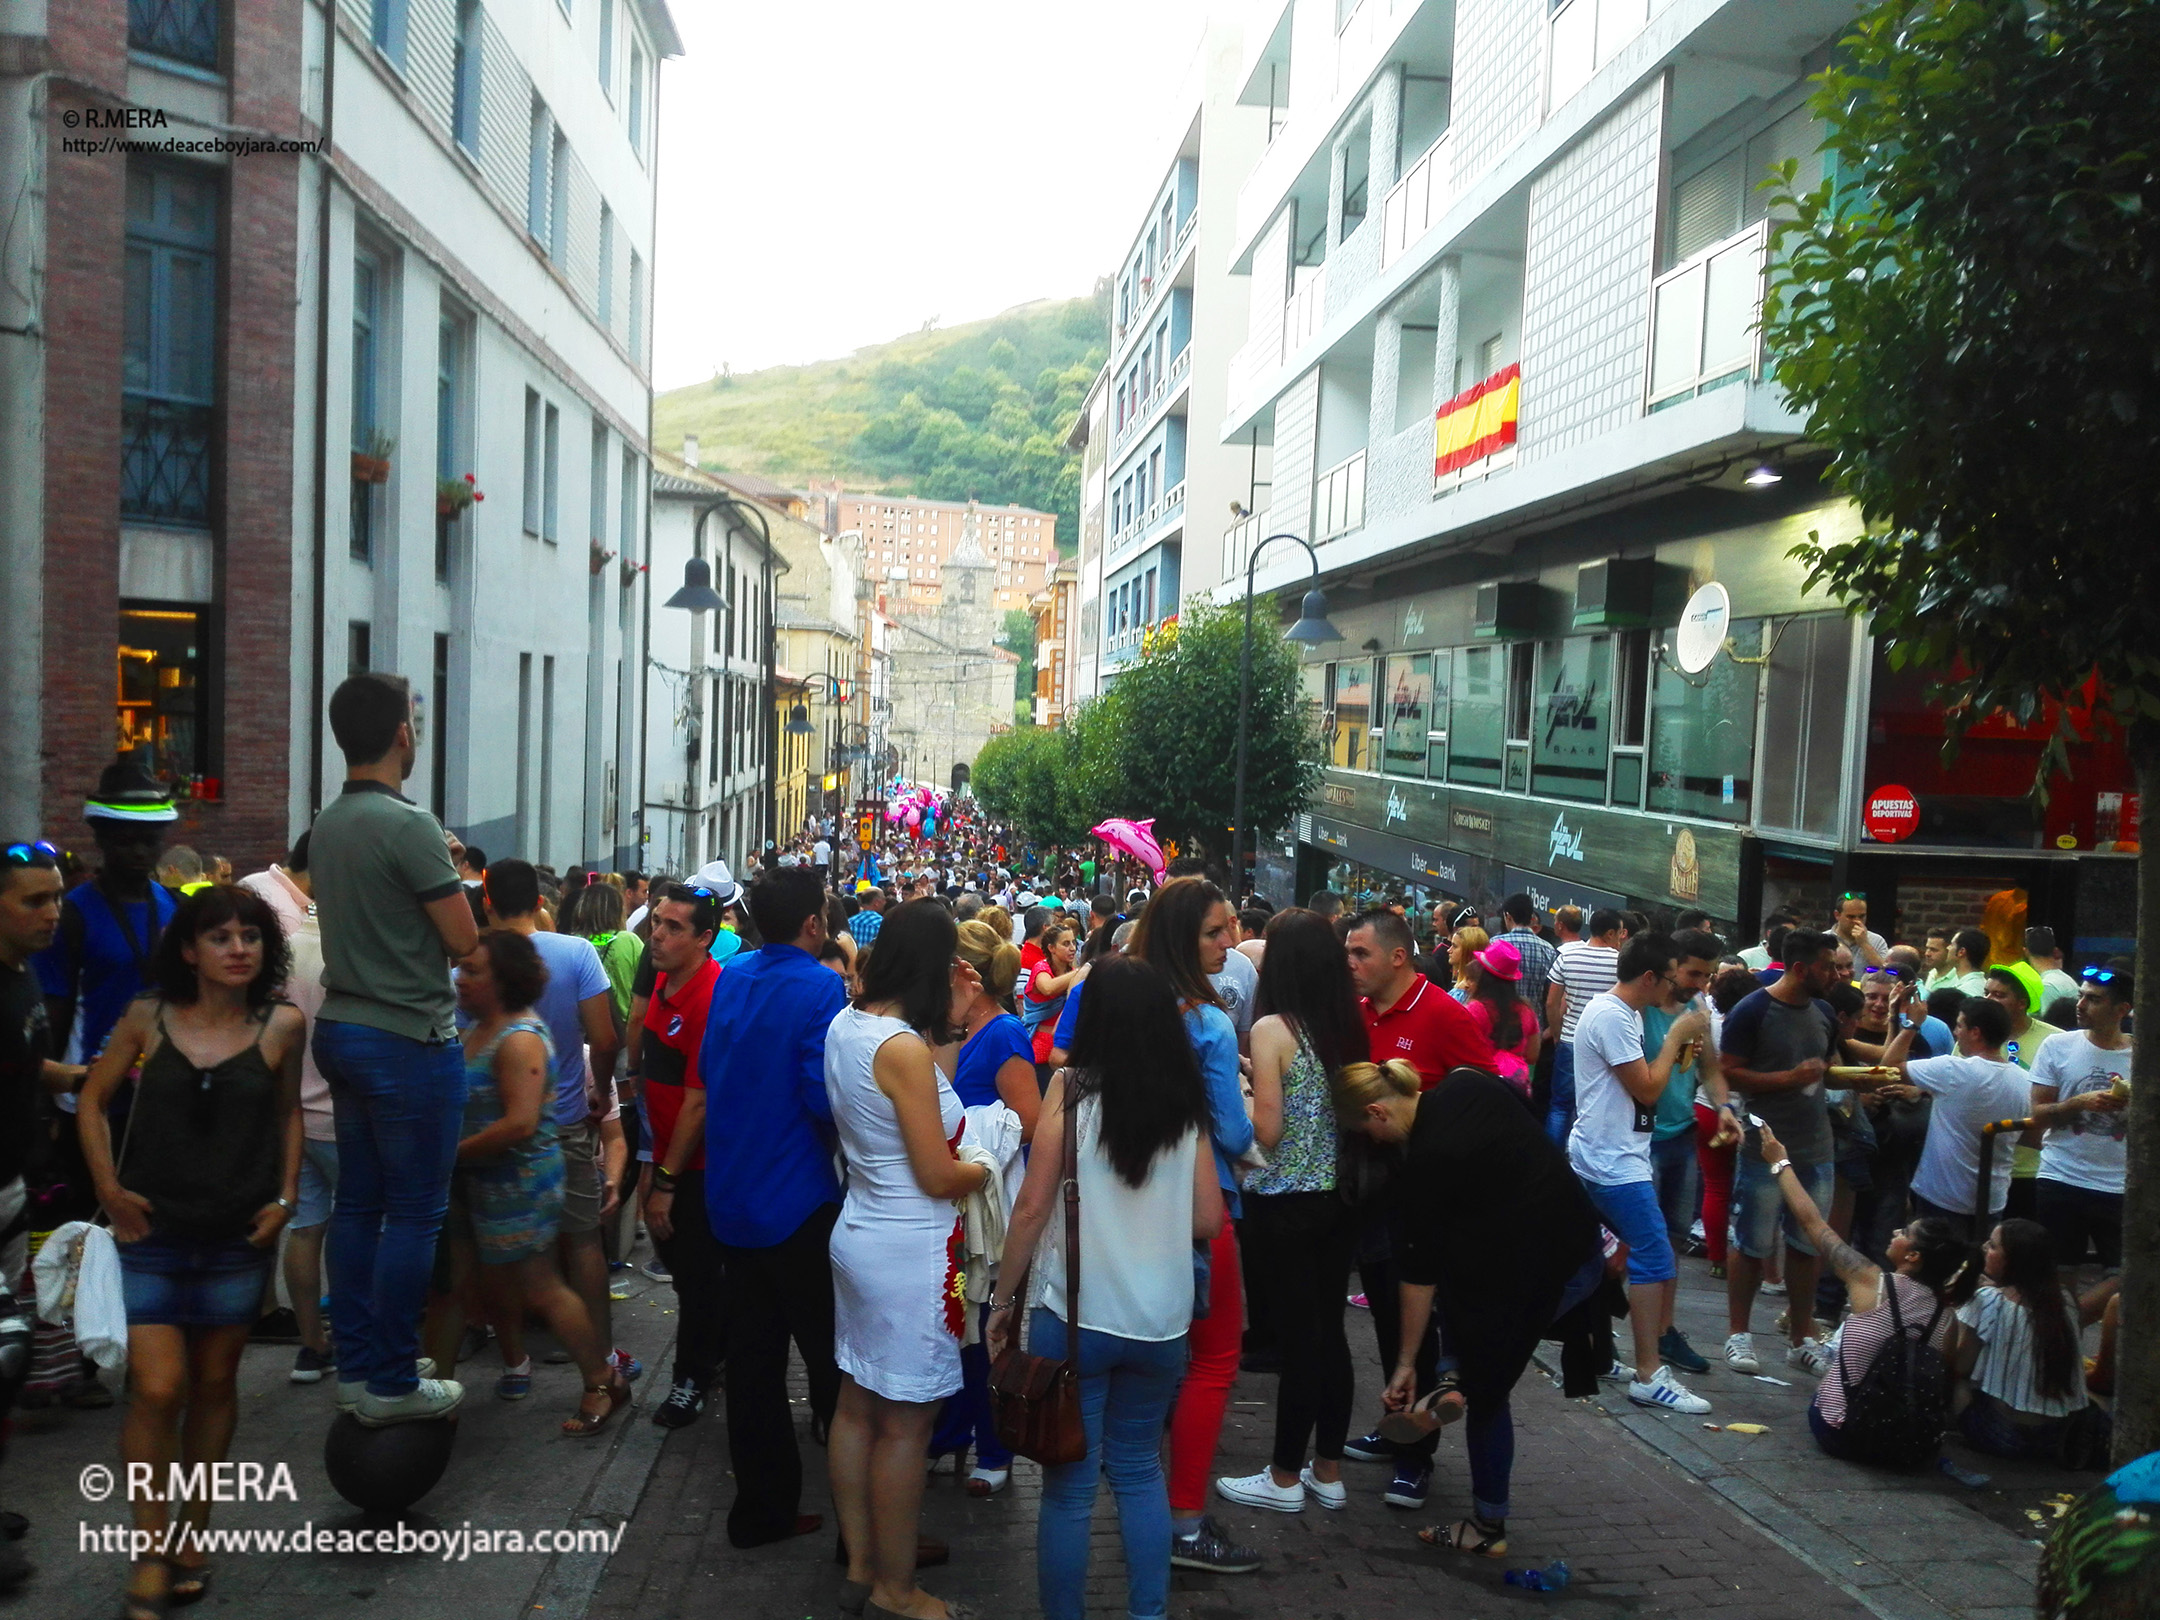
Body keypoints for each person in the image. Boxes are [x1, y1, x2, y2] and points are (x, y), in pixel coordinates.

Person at [77, 886, 303, 1619]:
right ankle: (149, 1548)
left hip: (238, 1237)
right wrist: (109, 1187)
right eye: (221, 937)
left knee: (214, 1384)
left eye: (250, 937)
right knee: (159, 1388)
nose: (239, 949)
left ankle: (193, 1531)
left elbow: (288, 1113)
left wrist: (287, 1199)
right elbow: (92, 1098)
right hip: (152, 1234)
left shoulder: (282, 1025)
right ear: (188, 949)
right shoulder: (148, 1016)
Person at [986, 957, 1219, 1620]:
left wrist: (1002, 1304)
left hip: (1079, 1316)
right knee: (1142, 1472)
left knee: (1069, 1489)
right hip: (1162, 1322)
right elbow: (1208, 1218)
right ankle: (1148, 1613)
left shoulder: (1072, 1089)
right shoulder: (1187, 1100)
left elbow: (1031, 1207)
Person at [1339, 1056, 1600, 1559]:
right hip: (1575, 1242)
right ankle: (1452, 1383)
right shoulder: (1468, 1081)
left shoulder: (1425, 1167)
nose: (1371, 1142)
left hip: (1538, 1269)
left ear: (1378, 1112)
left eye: (1364, 1130)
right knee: (1467, 1315)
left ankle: (1487, 1525)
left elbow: (1417, 1280)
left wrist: (1405, 1364)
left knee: (1488, 1390)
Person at [307, 672, 479, 1423]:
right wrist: (446, 862)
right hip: (406, 1034)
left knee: (357, 1207)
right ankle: (391, 1384)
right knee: (414, 1214)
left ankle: (356, 1369)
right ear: (402, 735)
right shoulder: (409, 826)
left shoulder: (327, 823)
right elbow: (464, 941)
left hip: (342, 1029)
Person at [826, 900, 992, 1620]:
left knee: (858, 1407)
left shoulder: (851, 1025)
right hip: (912, 1248)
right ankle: (896, 1588)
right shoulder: (899, 1049)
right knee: (907, 1424)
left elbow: (929, 1095)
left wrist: (950, 1018)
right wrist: (986, 1165)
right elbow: (936, 1169)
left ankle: (864, 1558)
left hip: (863, 1230)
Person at [697, 866, 853, 1547]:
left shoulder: (732, 977)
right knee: (831, 1361)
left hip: (732, 1196)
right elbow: (822, 1094)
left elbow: (711, 1070)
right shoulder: (821, 985)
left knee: (755, 1365)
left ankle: (762, 1510)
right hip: (796, 1199)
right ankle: (862, 1525)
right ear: (814, 926)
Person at [1128, 878, 1260, 1575]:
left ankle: (1140, 1507)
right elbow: (1234, 1132)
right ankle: (1182, 1521)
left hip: (1125, 1206)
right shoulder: (1206, 1024)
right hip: (1205, 1211)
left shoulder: (1120, 1005)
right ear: (1184, 937)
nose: (1230, 943)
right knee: (1212, 1363)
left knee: (1149, 1365)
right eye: (1215, 932)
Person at [1215, 909, 1367, 1515]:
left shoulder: (1273, 1027)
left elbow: (1269, 1132)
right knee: (1331, 1334)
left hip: (1285, 1202)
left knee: (1300, 1341)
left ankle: (1282, 1477)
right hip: (1340, 1195)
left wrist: (1244, 1098)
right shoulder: (1345, 1025)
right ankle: (1327, 1469)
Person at [449, 930, 628, 1434]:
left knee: (542, 1287)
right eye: (462, 969)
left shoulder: (520, 1037)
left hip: (520, 1184)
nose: (462, 979)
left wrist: (449, 1154)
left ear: (504, 979)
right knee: (493, 1285)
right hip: (486, 1184)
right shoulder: (479, 1028)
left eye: (475, 971)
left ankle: (601, 1380)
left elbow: (520, 1123)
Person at [1748, 1123, 1980, 1461]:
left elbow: (1813, 1222)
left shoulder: (1873, 1283)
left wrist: (1780, 1162)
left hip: (1843, 1432)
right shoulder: (1947, 1320)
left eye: (1906, 1232)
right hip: (1906, 1444)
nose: (1897, 1231)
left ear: (1913, 1257)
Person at [480, 861, 627, 1384]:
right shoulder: (576, 953)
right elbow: (606, 1040)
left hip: (492, 1132)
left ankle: (513, 1360)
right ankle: (604, 1357)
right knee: (583, 1240)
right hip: (563, 1122)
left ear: (488, 903)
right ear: (540, 903)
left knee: (500, 1250)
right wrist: (596, 1092)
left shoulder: (471, 969)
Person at [1564, 933, 1714, 1413]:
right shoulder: (1611, 1016)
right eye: (1672, 977)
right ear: (1649, 977)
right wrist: (1675, 1037)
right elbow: (1648, 1090)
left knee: (1603, 1262)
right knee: (1655, 1255)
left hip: (1607, 1153)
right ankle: (1649, 1373)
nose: (1675, 987)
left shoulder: (1621, 1013)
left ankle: (1602, 1354)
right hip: (1612, 1163)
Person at [927, 918, 1038, 1493]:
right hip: (952, 1199)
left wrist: (976, 1139)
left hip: (987, 1203)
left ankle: (994, 1450)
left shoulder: (1004, 1034)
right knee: (954, 1325)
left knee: (988, 1329)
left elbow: (1031, 1121)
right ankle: (949, 1434)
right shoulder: (945, 1030)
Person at [1717, 930, 1844, 1377]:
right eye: (1828, 966)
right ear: (1800, 968)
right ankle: (1738, 1335)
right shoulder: (1752, 1010)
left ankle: (1801, 1338)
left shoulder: (1825, 1011)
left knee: (1808, 1244)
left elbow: (1826, 1070)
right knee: (1751, 1242)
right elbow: (1729, 1073)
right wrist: (1789, 1078)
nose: (1836, 974)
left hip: (1816, 1146)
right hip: (1763, 1146)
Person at [236, 834, 338, 1383]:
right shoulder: (349, 947)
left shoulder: (285, 947)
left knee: (306, 1229)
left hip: (291, 1112)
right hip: (341, 1117)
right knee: (355, 1231)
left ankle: (312, 1345)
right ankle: (354, 1335)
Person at [639, 884, 730, 1430]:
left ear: (705, 939)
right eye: (657, 921)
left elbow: (697, 1104)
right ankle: (714, 1349)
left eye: (674, 927)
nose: (657, 933)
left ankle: (690, 1378)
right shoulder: (663, 983)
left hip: (696, 1167)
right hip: (668, 1156)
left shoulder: (707, 997)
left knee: (695, 1276)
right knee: (686, 1271)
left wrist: (667, 1182)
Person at [1644, 930, 1730, 1366]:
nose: (1700, 983)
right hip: (1639, 1140)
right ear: (1670, 965)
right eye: (1694, 972)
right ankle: (1602, 1332)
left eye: (1708, 975)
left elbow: (1709, 1068)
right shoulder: (1637, 1009)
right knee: (1631, 1241)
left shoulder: (1697, 1009)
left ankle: (1664, 1330)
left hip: (1680, 1134)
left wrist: (1725, 1106)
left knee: (1673, 1238)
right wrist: (1679, 1033)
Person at [1883, 995, 2030, 1232]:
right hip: (1992, 1201)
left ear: (1975, 1032)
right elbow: (2028, 1136)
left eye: (1960, 1025)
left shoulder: (1952, 1070)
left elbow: (1889, 1067)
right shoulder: (2024, 1080)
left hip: (1942, 1198)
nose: (1955, 1031)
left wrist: (1912, 1024)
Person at [1949, 1219, 2089, 1458]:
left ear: (2013, 1261)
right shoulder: (2064, 1300)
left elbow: (1959, 1367)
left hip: (2001, 1435)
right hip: (2057, 1439)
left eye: (1992, 1246)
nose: (1984, 1248)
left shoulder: (1988, 1299)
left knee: (1952, 1381)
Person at [2027, 964, 2133, 1280]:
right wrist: (2078, 1103)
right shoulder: (2058, 1046)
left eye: (2094, 1000)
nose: (2081, 1005)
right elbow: (2038, 1115)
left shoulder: (2142, 1056)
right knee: (2057, 1276)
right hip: (2061, 1176)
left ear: (2122, 1010)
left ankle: (2077, 1324)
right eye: (2081, 996)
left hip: (2119, 1184)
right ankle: (2066, 1328)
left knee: (2123, 1278)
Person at [1346, 909, 1497, 1086]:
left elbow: (1489, 1095)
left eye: (1361, 954)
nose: (1349, 963)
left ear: (1397, 957)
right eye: (1347, 953)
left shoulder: (1446, 1015)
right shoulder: (1353, 1009)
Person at [1544, 908, 1624, 1145]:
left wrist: (1558, 1034)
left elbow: (1552, 1002)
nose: (1621, 939)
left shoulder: (1567, 957)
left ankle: (1553, 1161)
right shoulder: (1620, 962)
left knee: (1560, 1105)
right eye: (1619, 933)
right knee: (1594, 1107)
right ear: (1610, 933)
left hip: (1570, 1039)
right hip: (1604, 1044)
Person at [1457, 939, 1540, 1099]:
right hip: (1516, 1089)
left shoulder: (1475, 1009)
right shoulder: (1527, 1010)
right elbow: (1532, 1055)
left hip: (1480, 1087)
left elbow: (1459, 1051)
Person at [1020, 917, 1081, 1064]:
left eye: (1074, 942)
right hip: (1039, 1047)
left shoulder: (1073, 972)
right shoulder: (1041, 968)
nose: (1072, 948)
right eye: (1066, 944)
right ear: (1051, 948)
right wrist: (1081, 971)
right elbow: (1048, 988)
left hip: (1063, 1047)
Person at [1493, 894, 1558, 1031]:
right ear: (1532, 918)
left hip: (1502, 1023)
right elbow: (1550, 994)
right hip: (1533, 1025)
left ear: (1508, 916)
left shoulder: (1496, 944)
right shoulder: (1548, 950)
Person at [1828, 892, 1887, 970]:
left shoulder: (1877, 941)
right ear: (1837, 915)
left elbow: (1885, 973)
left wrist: (1864, 944)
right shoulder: (1823, 939)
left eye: (1862, 916)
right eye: (1851, 917)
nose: (1857, 921)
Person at [1948, 927, 1991, 995]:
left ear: (1961, 952)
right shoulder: (1967, 984)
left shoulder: (1968, 991)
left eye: (1951, 944)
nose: (1948, 948)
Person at [849, 882, 886, 949]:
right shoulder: (882, 923)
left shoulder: (850, 922)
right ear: (876, 903)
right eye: (883, 899)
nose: (885, 902)